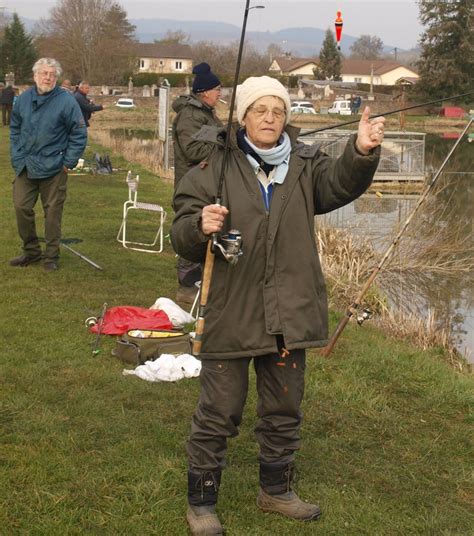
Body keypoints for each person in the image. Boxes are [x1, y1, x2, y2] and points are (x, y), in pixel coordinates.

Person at [171, 75, 385, 535]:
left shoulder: (307, 164)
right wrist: (199, 225)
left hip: (290, 309)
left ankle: (276, 490)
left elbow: (340, 184)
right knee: (219, 411)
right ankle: (202, 503)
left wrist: (361, 151)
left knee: (285, 409)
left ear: (287, 119)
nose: (269, 118)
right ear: (244, 116)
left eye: (278, 111)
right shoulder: (215, 165)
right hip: (232, 308)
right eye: (260, 110)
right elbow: (182, 230)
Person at [9, 58, 87, 271]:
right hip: (25, 164)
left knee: (52, 213)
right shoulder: (23, 99)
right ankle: (31, 251)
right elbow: (15, 127)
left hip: (54, 166)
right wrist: (17, 156)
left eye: (52, 74)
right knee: (21, 207)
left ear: (56, 77)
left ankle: (51, 256)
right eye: (44, 73)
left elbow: (79, 133)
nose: (48, 78)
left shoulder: (67, 101)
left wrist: (68, 162)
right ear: (35, 75)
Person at [171, 62, 223, 305]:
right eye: (217, 90)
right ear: (205, 92)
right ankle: (187, 288)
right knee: (192, 234)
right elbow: (193, 150)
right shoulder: (190, 115)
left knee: (206, 234)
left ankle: (203, 286)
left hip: (206, 184)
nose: (220, 94)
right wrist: (222, 139)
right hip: (192, 187)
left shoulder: (204, 113)